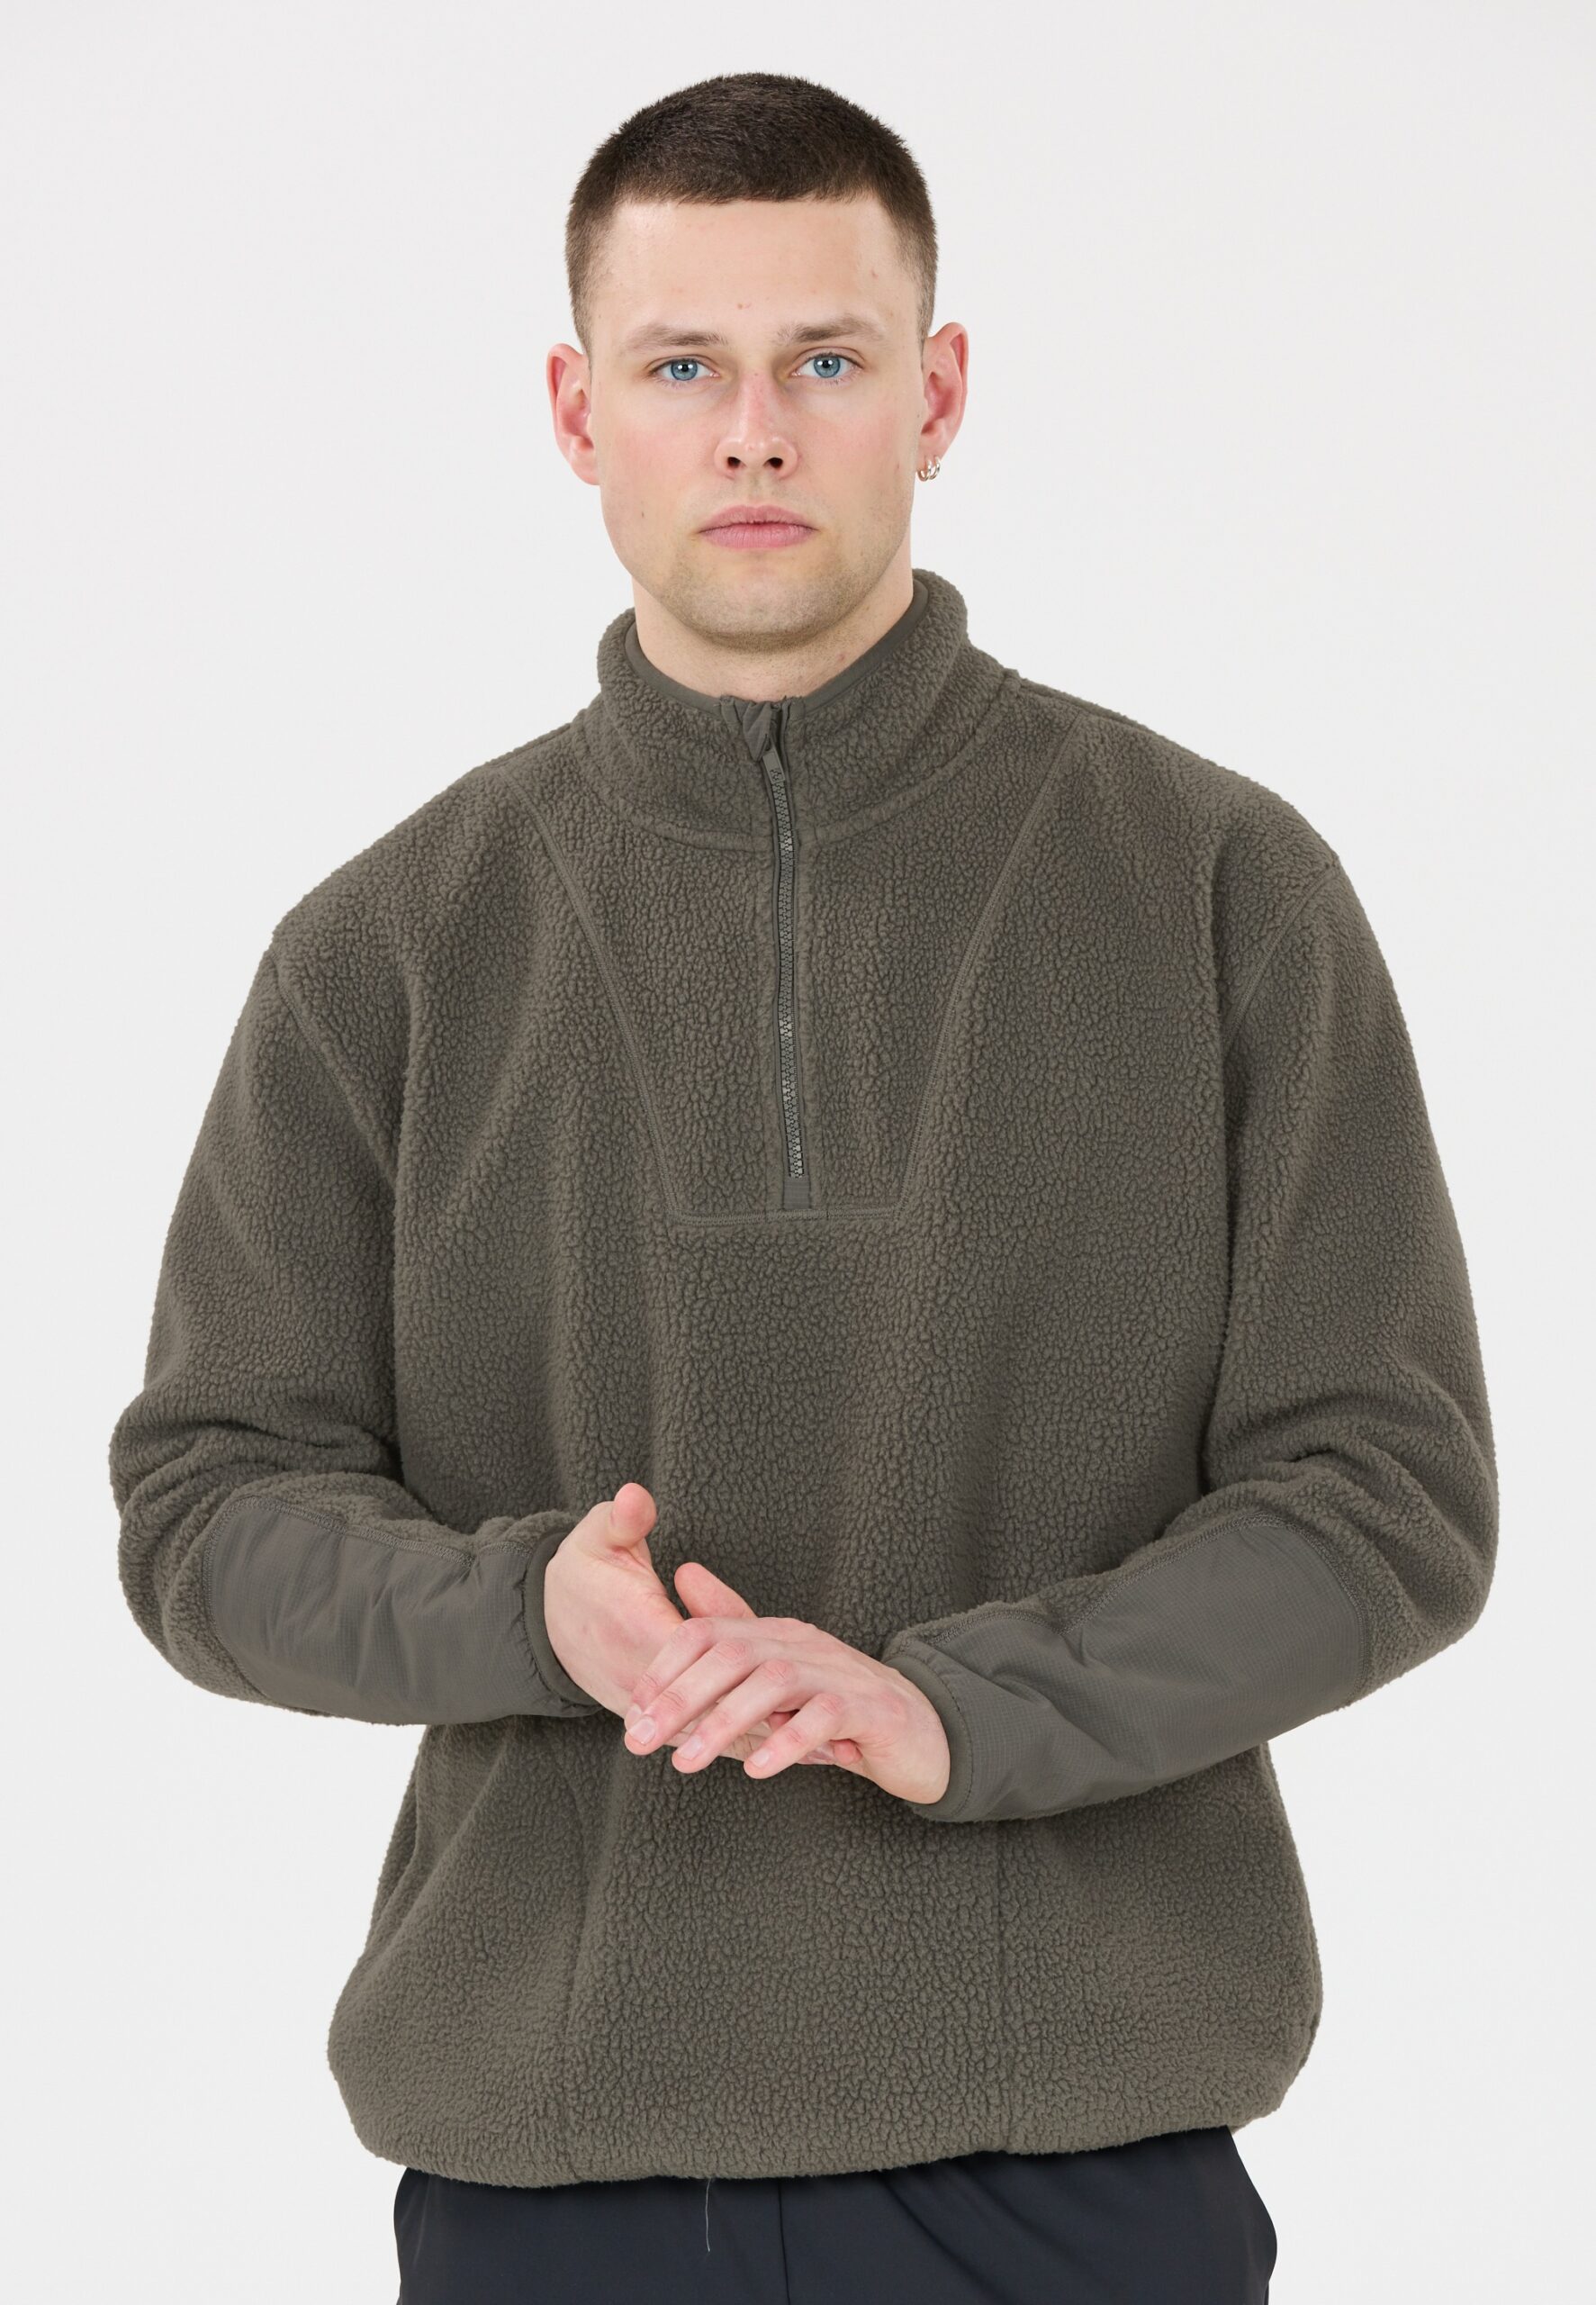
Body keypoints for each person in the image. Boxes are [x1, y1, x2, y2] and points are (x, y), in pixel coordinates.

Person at [109, 68, 1497, 2305]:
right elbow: (205, 1506)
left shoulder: (1218, 891)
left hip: (1076, 2159)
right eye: (682, 367)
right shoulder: (384, 949)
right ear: (577, 414)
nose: (751, 435)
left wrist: (960, 1706)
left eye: (822, 362)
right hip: (547, 2170)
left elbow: (1385, 1494)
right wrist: (526, 1609)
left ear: (932, 395)